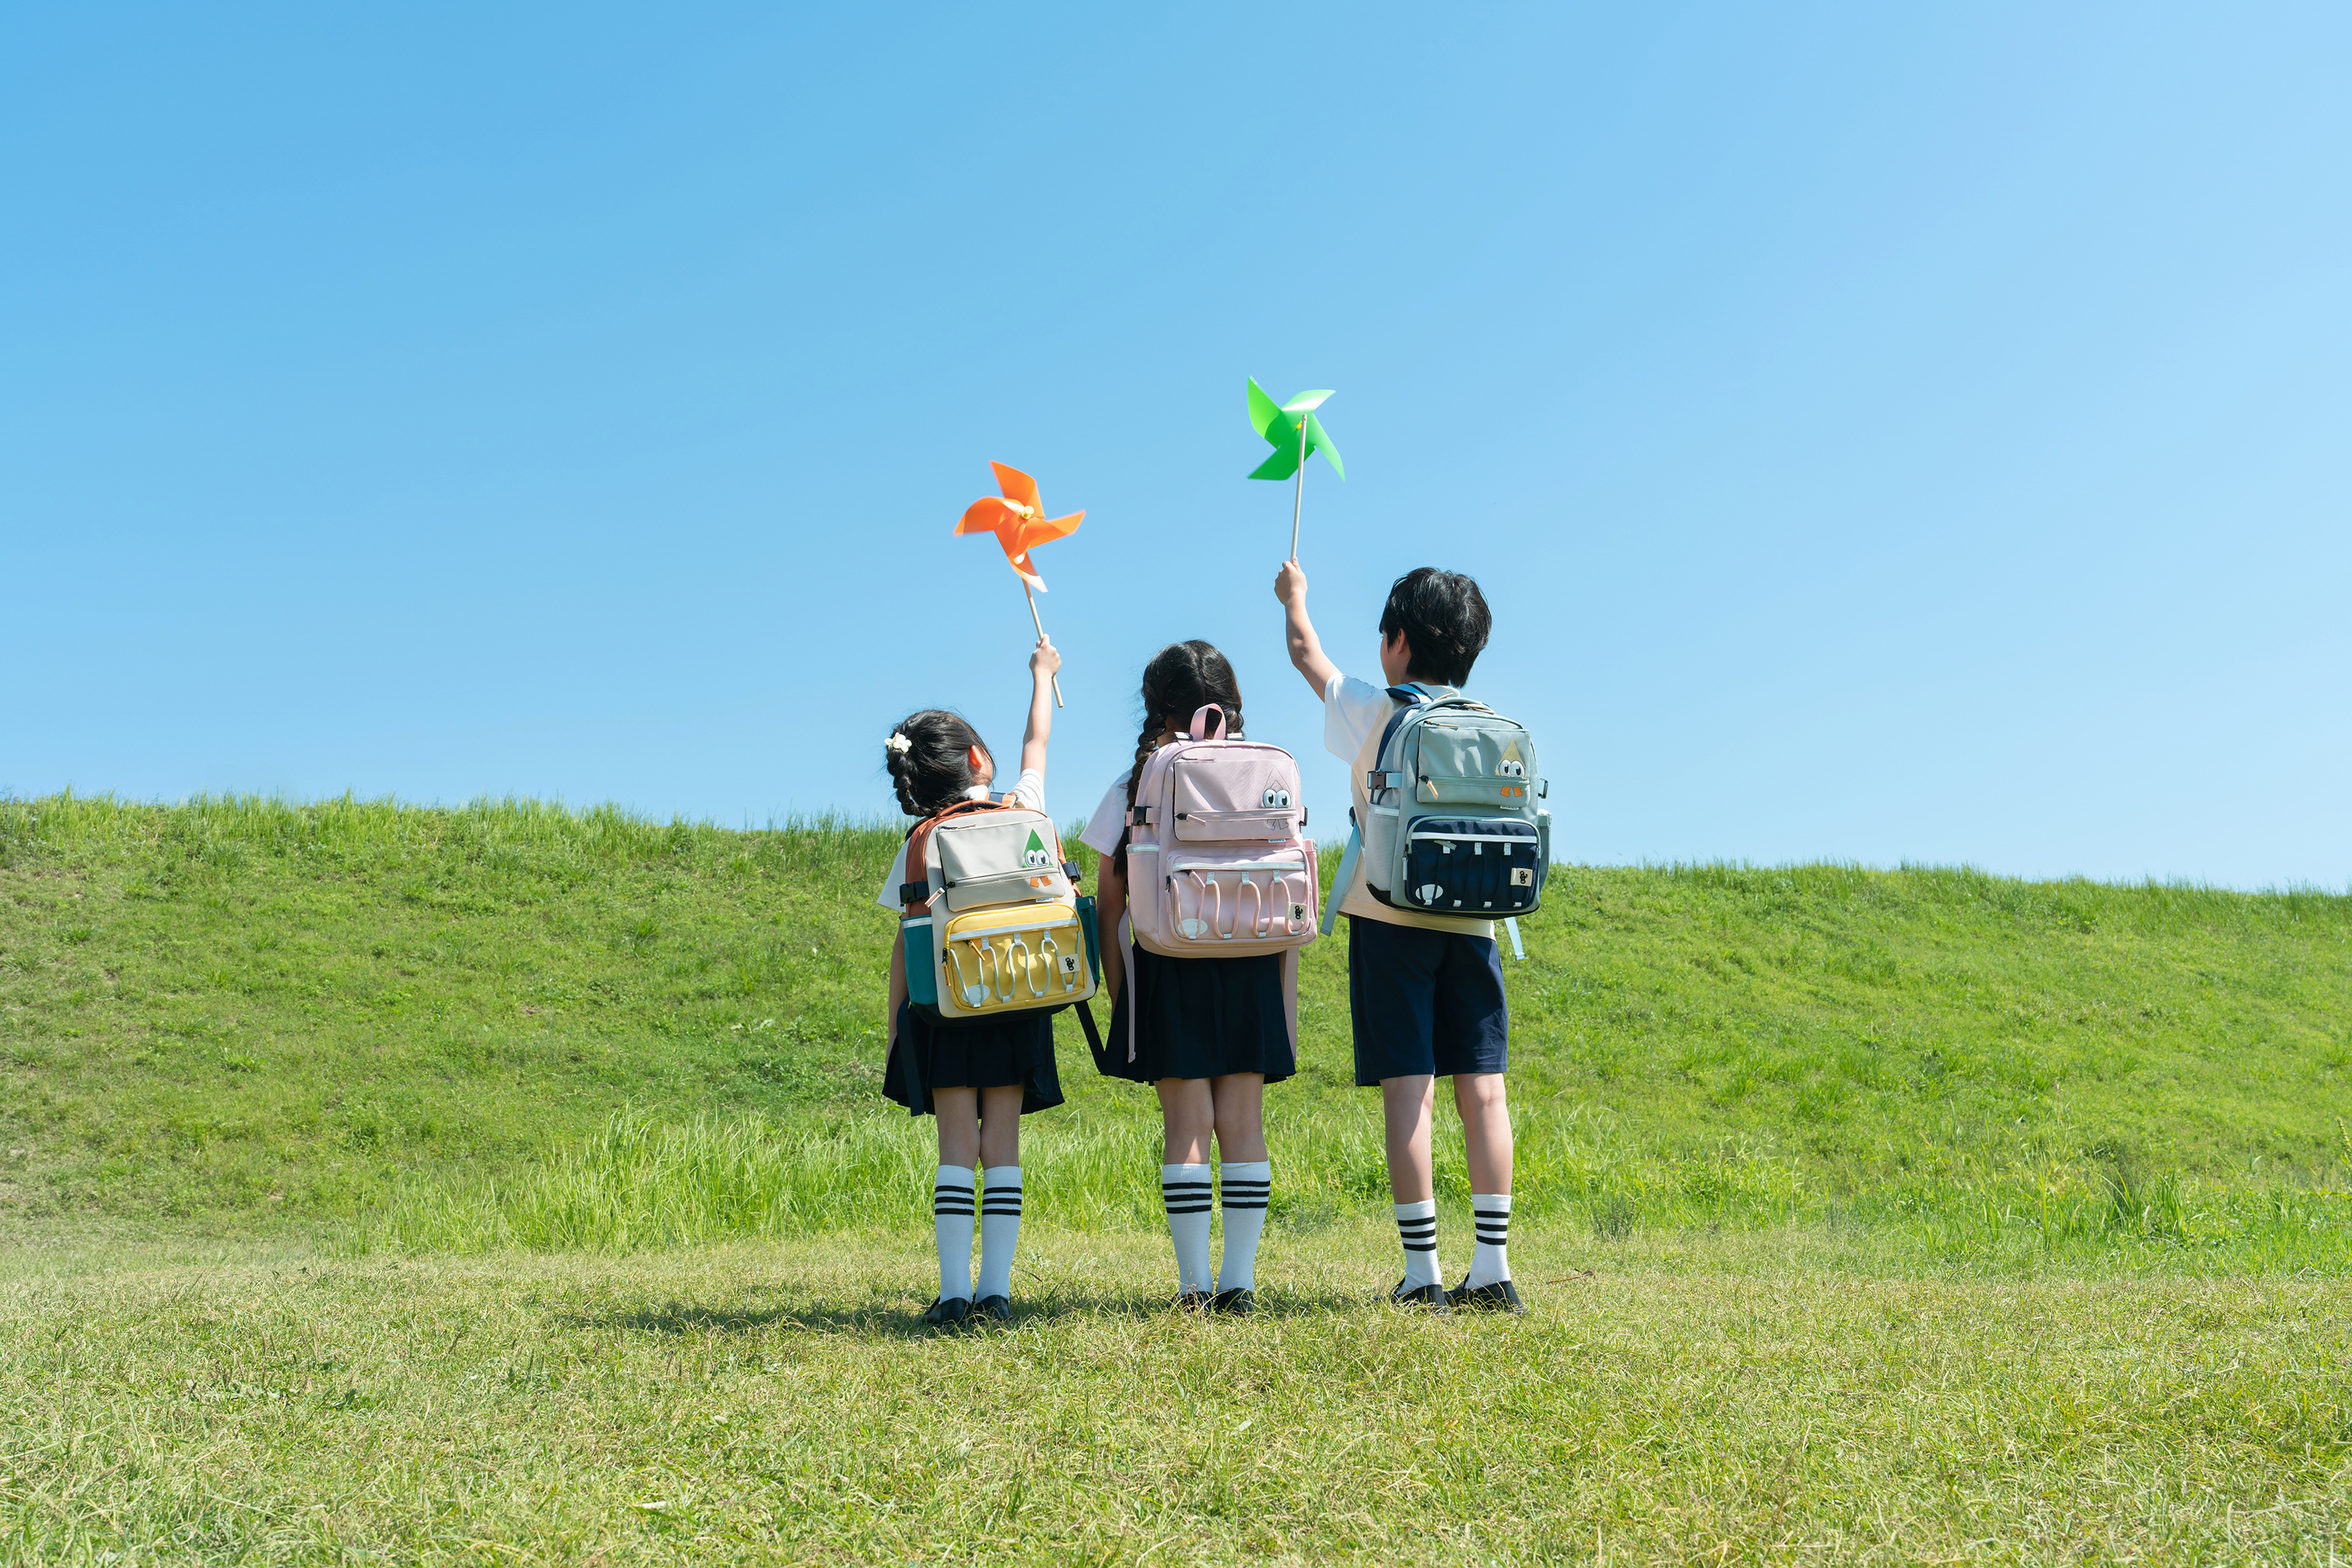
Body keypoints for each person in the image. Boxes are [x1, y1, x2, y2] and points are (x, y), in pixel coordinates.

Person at [1273, 563, 1524, 1314]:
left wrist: (1295, 598)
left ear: (1397, 642)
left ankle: (1424, 1274)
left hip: (1388, 922)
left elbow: (1303, 652)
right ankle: (1494, 1265)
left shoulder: (1375, 710)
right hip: (1474, 926)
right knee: (1484, 1094)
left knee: (1408, 1094)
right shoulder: (1489, 728)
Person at [1080, 641, 1290, 1315]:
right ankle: (1241, 1283)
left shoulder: (1137, 778)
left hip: (1169, 957)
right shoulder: (1262, 769)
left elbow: (1110, 901)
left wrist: (1123, 988)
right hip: (1252, 953)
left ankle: (1194, 1286)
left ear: (1156, 707)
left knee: (1188, 1124)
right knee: (1244, 1122)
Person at [876, 634, 1064, 1327]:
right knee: (1003, 1145)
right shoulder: (1025, 808)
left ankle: (953, 1290)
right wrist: (1043, 673)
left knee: (956, 1145)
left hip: (948, 1009)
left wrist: (896, 1025)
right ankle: (997, 1291)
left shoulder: (921, 840)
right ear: (979, 761)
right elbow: (1038, 741)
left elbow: (907, 942)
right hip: (1017, 996)